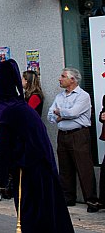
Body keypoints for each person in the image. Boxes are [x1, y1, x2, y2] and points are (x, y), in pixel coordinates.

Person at [0, 59, 74, 232]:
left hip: (28, 171)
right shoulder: (21, 107)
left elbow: (5, 146)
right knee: (48, 213)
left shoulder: (10, 111)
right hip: (42, 167)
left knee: (32, 217)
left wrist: (0, 176)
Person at [47, 67, 99, 212]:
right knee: (65, 168)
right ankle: (67, 197)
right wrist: (61, 114)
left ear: (72, 79)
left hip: (79, 134)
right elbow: (51, 115)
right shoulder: (60, 96)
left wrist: (61, 113)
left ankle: (91, 200)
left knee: (84, 167)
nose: (60, 79)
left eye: (63, 76)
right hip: (63, 134)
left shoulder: (83, 96)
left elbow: (74, 112)